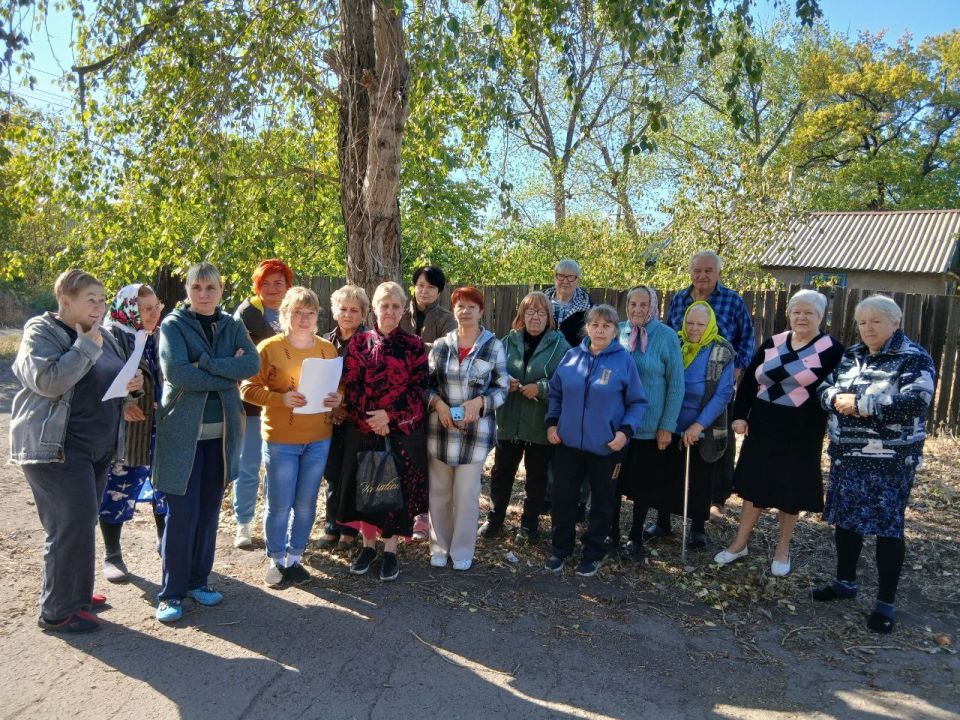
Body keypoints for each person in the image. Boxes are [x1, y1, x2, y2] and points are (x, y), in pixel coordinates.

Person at [11, 269, 143, 633]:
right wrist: (85, 345)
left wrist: (133, 385)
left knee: (83, 522)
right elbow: (48, 382)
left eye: (102, 300)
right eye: (91, 299)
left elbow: (114, 379)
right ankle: (57, 611)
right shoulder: (42, 331)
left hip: (96, 448)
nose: (99, 307)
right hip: (55, 448)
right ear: (65, 301)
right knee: (69, 526)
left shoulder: (106, 335)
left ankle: (78, 597)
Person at [813, 295, 935, 634]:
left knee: (887, 528)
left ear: (895, 323)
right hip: (848, 456)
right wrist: (834, 398)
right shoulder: (852, 354)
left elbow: (916, 402)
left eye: (875, 321)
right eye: (862, 322)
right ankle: (845, 582)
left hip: (890, 461)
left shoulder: (913, 358)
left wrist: (861, 404)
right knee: (847, 521)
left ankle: (885, 603)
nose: (867, 327)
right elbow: (825, 389)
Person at [152, 262, 260, 623]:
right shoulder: (172, 326)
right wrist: (226, 369)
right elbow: (176, 373)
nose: (203, 294)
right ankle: (170, 593)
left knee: (209, 513)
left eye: (210, 288)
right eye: (197, 287)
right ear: (187, 290)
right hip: (183, 437)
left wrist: (207, 364)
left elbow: (252, 366)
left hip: (222, 436)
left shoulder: (232, 324)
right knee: (182, 515)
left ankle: (199, 582)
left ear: (221, 290)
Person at [715, 290, 843, 576]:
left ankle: (782, 549)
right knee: (754, 485)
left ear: (820, 316)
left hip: (802, 430)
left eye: (809, 312)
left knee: (790, 488)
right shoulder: (774, 342)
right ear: (790, 314)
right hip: (762, 424)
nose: (802, 317)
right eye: (797, 311)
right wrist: (739, 415)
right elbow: (749, 380)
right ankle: (740, 543)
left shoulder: (831, 349)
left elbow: (835, 390)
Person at [241, 287, 343, 587]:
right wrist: (280, 399)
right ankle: (276, 557)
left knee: (307, 502)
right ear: (285, 315)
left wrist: (338, 397)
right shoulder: (269, 348)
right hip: (281, 439)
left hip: (319, 437)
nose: (304, 318)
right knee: (280, 503)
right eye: (297, 312)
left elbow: (339, 387)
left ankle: (295, 556)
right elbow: (247, 388)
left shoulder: (328, 349)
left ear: (316, 317)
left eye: (310, 313)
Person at [544, 305, 648, 577]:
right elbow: (555, 393)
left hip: (606, 447)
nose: (600, 330)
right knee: (562, 497)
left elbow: (637, 402)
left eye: (607, 326)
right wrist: (552, 423)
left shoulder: (624, 361)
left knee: (602, 502)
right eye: (595, 325)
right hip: (568, 445)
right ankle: (560, 549)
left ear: (615, 331)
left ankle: (593, 553)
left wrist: (625, 431)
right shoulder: (570, 357)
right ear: (586, 328)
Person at [338, 282, 429, 582]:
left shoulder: (415, 346)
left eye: (395, 305)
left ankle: (390, 550)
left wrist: (389, 416)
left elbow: (419, 392)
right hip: (364, 428)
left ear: (404, 309)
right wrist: (372, 419)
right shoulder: (359, 343)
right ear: (374, 308)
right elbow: (351, 386)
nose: (389, 311)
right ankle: (368, 547)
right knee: (366, 486)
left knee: (394, 493)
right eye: (384, 305)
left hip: (400, 432)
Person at [665, 250, 754, 517]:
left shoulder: (732, 300)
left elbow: (747, 339)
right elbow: (671, 335)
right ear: (690, 272)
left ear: (717, 272)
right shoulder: (679, 299)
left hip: (718, 383)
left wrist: (735, 371)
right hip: (682, 383)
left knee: (716, 440)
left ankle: (716, 498)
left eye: (708, 270)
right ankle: (675, 503)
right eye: (697, 270)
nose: (702, 276)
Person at [427, 287, 509, 570]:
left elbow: (502, 388)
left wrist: (481, 403)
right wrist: (437, 405)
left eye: (471, 306)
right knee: (439, 492)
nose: (465, 310)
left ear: (481, 311)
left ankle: (462, 549)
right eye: (460, 305)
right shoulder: (441, 345)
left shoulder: (493, 346)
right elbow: (426, 385)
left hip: (475, 436)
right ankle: (439, 546)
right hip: (441, 430)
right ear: (454, 310)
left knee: (466, 495)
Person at [478, 291, 570, 543]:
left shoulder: (561, 346)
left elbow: (566, 383)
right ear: (521, 315)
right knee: (501, 475)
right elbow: (488, 375)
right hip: (508, 422)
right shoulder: (506, 343)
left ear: (549, 317)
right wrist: (504, 380)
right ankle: (494, 521)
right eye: (530, 311)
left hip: (539, 424)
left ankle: (529, 526)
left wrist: (541, 389)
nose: (535, 317)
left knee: (536, 479)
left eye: (541, 312)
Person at [645, 301, 734, 549]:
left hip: (703, 425)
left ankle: (697, 528)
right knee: (666, 474)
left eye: (701, 324)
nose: (694, 328)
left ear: (710, 325)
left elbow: (723, 394)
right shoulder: (676, 342)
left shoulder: (722, 350)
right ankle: (662, 522)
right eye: (690, 322)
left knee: (699, 478)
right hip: (670, 420)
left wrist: (698, 425)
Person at [98, 284, 168, 583]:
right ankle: (112, 554)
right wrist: (124, 402)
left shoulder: (159, 336)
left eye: (156, 307)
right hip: (129, 431)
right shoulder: (110, 339)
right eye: (146, 309)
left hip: (162, 427)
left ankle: (166, 545)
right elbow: (97, 382)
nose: (154, 314)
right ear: (128, 310)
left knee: (166, 487)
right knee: (120, 487)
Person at [610, 286, 684, 562]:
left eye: (644, 305)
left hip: (650, 428)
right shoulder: (617, 331)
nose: (638, 310)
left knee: (642, 486)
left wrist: (667, 425)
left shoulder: (666, 337)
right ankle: (612, 533)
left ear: (653, 307)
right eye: (633, 304)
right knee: (613, 482)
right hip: (617, 426)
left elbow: (676, 384)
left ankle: (635, 537)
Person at [232, 258, 293, 548]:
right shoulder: (245, 315)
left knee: (276, 468)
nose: (272, 289)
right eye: (266, 283)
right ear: (257, 285)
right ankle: (243, 523)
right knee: (248, 464)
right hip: (252, 404)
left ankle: (274, 522)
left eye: (278, 283)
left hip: (284, 405)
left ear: (287, 285)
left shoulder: (293, 312)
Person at [399, 264, 457, 540]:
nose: (424, 291)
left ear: (439, 292)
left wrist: (411, 347)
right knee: (402, 454)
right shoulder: (400, 311)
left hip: (433, 392)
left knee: (427, 455)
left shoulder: (447, 318)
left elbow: (447, 350)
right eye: (420, 285)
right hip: (399, 392)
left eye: (431, 287)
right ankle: (401, 510)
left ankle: (423, 514)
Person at [317, 285, 369, 549]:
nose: (348, 314)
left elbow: (370, 383)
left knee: (353, 473)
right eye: (343, 309)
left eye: (354, 310)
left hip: (357, 418)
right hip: (328, 418)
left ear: (363, 314)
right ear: (335, 311)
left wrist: (345, 404)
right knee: (332, 472)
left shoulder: (371, 343)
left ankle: (349, 529)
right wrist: (332, 408)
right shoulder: (323, 342)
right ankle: (331, 526)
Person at [544, 259, 592, 348]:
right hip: (542, 360)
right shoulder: (540, 303)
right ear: (555, 278)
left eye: (570, 277)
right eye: (561, 276)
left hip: (574, 360)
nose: (565, 281)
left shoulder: (588, 309)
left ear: (578, 280)